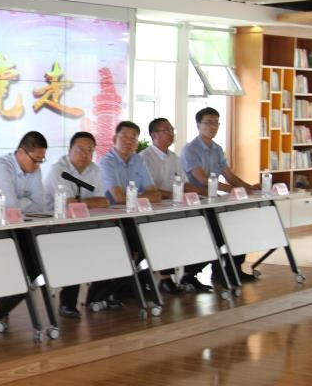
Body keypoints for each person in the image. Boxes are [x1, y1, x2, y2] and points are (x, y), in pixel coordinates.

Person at [0, 131, 48, 326]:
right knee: (19, 261)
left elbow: (39, 204)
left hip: (17, 226)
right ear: (21, 152)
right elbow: (10, 207)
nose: (38, 165)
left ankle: (0, 311)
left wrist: (17, 207)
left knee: (36, 265)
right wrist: (24, 202)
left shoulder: (35, 168)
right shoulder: (2, 167)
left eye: (41, 160)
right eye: (35, 160)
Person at [181, 107, 258, 283]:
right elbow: (202, 179)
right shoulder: (190, 149)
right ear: (198, 125)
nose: (213, 127)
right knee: (215, 236)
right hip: (197, 202)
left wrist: (250, 188)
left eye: (216, 123)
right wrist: (233, 190)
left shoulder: (217, 149)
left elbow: (229, 176)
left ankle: (232, 270)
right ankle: (193, 275)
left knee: (237, 230)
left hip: (214, 201)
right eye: (208, 122)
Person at [43, 131, 110, 318]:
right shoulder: (58, 170)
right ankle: (67, 303)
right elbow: (69, 205)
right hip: (55, 226)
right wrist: (88, 202)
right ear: (70, 150)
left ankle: (96, 297)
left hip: (85, 224)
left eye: (90, 150)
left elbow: (103, 202)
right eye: (80, 149)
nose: (85, 154)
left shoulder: (94, 170)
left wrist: (82, 202)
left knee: (112, 243)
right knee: (76, 249)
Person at [140, 118, 207, 293]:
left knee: (201, 230)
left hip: (175, 207)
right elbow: (151, 190)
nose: (171, 134)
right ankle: (164, 278)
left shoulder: (174, 158)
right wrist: (176, 195)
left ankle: (188, 275)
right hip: (153, 211)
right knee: (167, 236)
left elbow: (184, 184)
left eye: (172, 130)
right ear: (154, 135)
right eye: (166, 130)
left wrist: (204, 192)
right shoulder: (144, 158)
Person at [98, 121, 162, 205]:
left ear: (137, 143)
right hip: (112, 211)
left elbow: (156, 196)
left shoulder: (138, 160)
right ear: (114, 139)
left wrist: (129, 198)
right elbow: (119, 198)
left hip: (135, 210)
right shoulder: (106, 162)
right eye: (124, 137)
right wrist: (145, 197)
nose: (128, 142)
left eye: (133, 138)